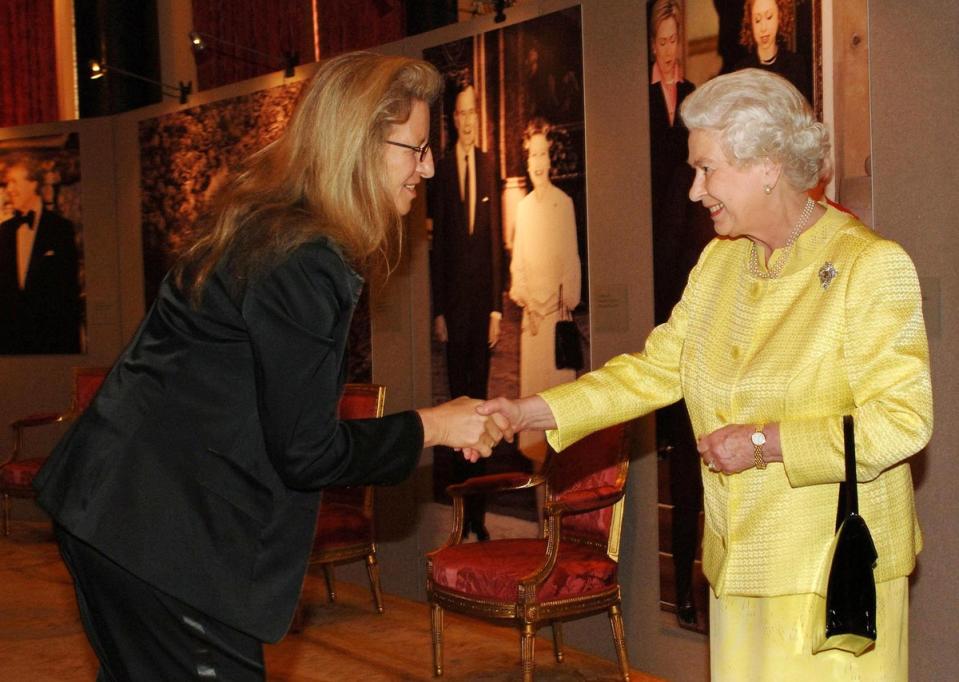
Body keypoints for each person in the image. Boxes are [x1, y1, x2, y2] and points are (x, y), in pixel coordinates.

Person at [33, 52, 506, 681]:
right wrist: (435, 426)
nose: (428, 166)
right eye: (415, 148)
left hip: (120, 514)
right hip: (159, 537)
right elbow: (305, 450)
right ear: (359, 146)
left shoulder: (275, 229)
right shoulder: (304, 256)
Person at [480, 69, 932, 680]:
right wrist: (533, 411)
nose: (695, 191)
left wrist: (764, 442)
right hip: (737, 566)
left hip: (829, 575)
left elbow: (902, 424)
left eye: (707, 169)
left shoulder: (869, 267)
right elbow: (654, 369)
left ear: (768, 165)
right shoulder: (718, 264)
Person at [647, 0, 714, 629]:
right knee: (687, 478)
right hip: (692, 371)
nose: (700, 187)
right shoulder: (680, 197)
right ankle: (689, 588)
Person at [428, 83, 504, 540]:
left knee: (483, 406)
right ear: (454, 119)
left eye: (474, 111)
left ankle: (479, 515)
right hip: (453, 313)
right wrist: (438, 311)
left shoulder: (489, 163)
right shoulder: (438, 168)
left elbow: (495, 242)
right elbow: (437, 251)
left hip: (482, 312)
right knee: (460, 409)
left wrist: (497, 308)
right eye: (462, 112)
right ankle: (461, 517)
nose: (469, 119)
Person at [508, 119, 580, 461]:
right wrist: (527, 300)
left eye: (543, 154)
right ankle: (539, 495)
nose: (537, 162)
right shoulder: (522, 209)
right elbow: (517, 265)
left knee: (558, 409)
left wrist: (551, 304)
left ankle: (559, 488)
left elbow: (571, 263)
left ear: (550, 160)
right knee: (533, 422)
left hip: (554, 321)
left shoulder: (563, 204)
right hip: (531, 325)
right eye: (532, 155)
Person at [0, 155, 81, 354]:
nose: (9, 189)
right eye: (7, 183)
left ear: (33, 183)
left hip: (50, 343)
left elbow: (68, 292)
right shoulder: (4, 232)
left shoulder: (60, 229)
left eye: (14, 182)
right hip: (10, 347)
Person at [733, 0, 812, 102]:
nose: (763, 28)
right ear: (750, 24)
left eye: (769, 17)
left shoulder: (795, 65)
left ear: (780, 17)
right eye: (757, 20)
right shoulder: (741, 71)